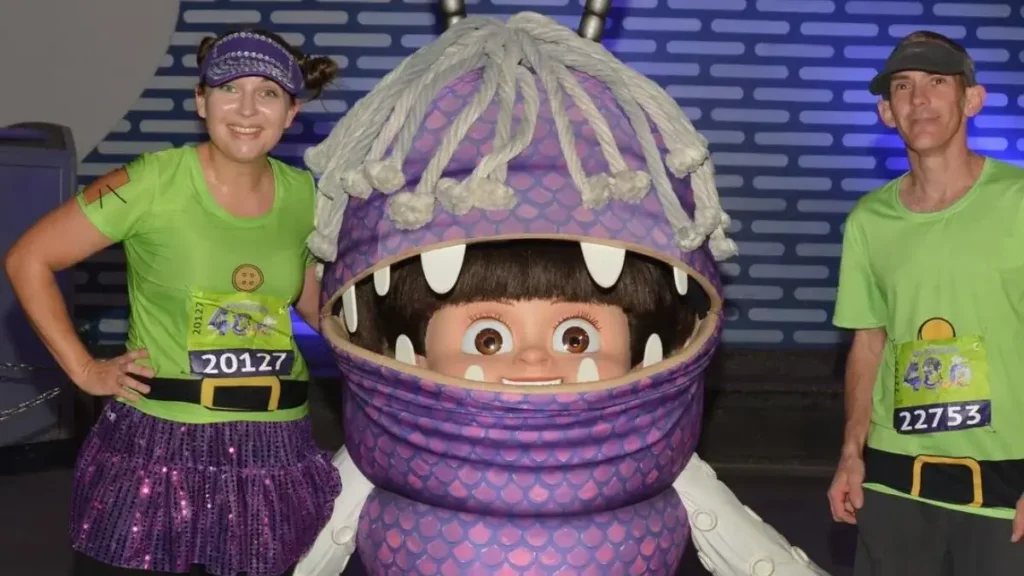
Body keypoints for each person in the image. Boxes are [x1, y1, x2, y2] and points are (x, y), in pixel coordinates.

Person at [290, 12, 827, 576]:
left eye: (576, 335)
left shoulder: (669, 473)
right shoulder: (378, 469)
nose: (532, 358)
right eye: (487, 335)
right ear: (411, 351)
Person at [4, 29, 341, 576]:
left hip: (274, 446)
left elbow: (308, 303)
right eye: (229, 88)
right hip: (160, 443)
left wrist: (390, 359)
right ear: (200, 100)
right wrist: (86, 370)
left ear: (291, 110)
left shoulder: (306, 196)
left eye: (269, 93)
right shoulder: (148, 182)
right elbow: (29, 259)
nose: (247, 108)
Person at [828, 30, 1024, 575]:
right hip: (896, 481)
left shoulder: (1019, 203)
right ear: (886, 112)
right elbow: (868, 343)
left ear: (972, 100)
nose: (919, 99)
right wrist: (851, 456)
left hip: (1008, 482)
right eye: (903, 86)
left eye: (938, 82)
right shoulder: (869, 221)